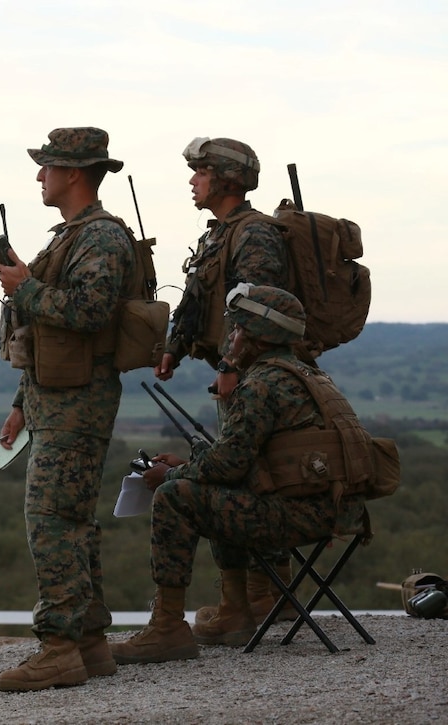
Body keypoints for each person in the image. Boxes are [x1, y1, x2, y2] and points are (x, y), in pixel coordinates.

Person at [109, 285, 367, 665]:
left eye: (237, 329)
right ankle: (233, 612)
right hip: (334, 510)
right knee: (205, 484)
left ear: (255, 336)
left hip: (299, 516)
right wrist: (187, 464)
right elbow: (248, 461)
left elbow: (228, 466)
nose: (230, 337)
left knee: (176, 496)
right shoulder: (307, 374)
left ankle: (167, 629)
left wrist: (168, 476)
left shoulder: (261, 384)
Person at [0, 127, 135, 692]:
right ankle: (89, 643)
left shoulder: (101, 238)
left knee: (50, 522)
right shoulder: (74, 236)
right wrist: (22, 404)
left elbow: (89, 312)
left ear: (74, 173)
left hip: (79, 404)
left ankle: (57, 650)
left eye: (47, 167)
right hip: (55, 400)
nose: (39, 177)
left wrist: (25, 286)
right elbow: (51, 334)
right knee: (73, 522)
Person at [156, 137, 297, 632]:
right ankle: (246, 598)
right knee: (239, 475)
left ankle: (264, 596)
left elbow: (255, 308)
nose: (193, 181)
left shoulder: (255, 233)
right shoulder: (221, 233)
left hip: (256, 377)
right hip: (235, 372)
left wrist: (233, 365)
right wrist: (174, 348)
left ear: (226, 178)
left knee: (256, 476)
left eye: (201, 172)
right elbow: (199, 295)